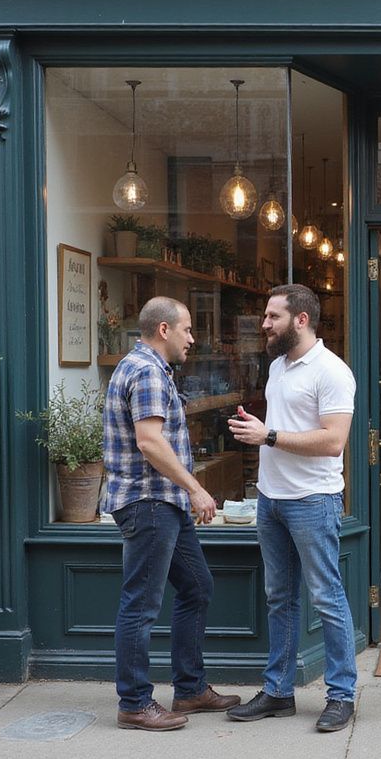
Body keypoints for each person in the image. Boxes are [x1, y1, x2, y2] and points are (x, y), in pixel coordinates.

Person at [102, 296, 241, 732]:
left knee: (197, 585)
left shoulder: (146, 368)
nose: (192, 339)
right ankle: (135, 703)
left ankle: (190, 688)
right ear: (164, 330)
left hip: (163, 502)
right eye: (187, 330)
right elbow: (150, 441)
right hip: (150, 503)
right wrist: (196, 489)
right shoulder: (146, 371)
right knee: (140, 605)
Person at [226, 283, 358, 733]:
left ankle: (341, 695)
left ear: (300, 320)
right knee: (279, 597)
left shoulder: (332, 371)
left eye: (272, 317)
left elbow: (333, 440)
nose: (264, 324)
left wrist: (270, 436)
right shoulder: (279, 366)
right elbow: (282, 427)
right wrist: (259, 430)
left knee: (327, 598)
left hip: (313, 501)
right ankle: (279, 691)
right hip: (271, 499)